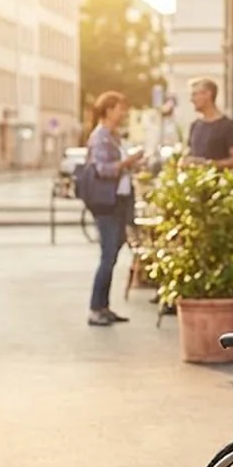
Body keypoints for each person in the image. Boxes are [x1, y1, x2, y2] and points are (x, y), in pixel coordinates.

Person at [85, 91, 144, 326]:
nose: (124, 113)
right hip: (106, 204)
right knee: (108, 255)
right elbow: (102, 169)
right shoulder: (100, 137)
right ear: (108, 110)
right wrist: (127, 162)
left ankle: (104, 306)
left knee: (112, 254)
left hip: (117, 202)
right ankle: (95, 308)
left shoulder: (113, 136)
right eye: (120, 108)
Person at [183, 78, 233, 169]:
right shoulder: (195, 126)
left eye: (194, 94)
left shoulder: (228, 126)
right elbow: (189, 153)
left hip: (220, 182)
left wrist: (209, 165)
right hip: (195, 182)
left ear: (207, 94)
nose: (192, 100)